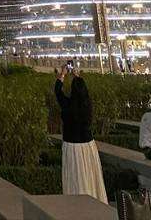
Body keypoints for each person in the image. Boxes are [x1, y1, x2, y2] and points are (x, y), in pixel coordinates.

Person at [54, 68, 108, 203]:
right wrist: (77, 77)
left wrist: (62, 76)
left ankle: (77, 205)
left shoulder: (67, 106)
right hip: (88, 146)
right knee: (90, 175)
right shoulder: (88, 106)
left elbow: (58, 92)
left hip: (72, 147)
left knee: (75, 177)